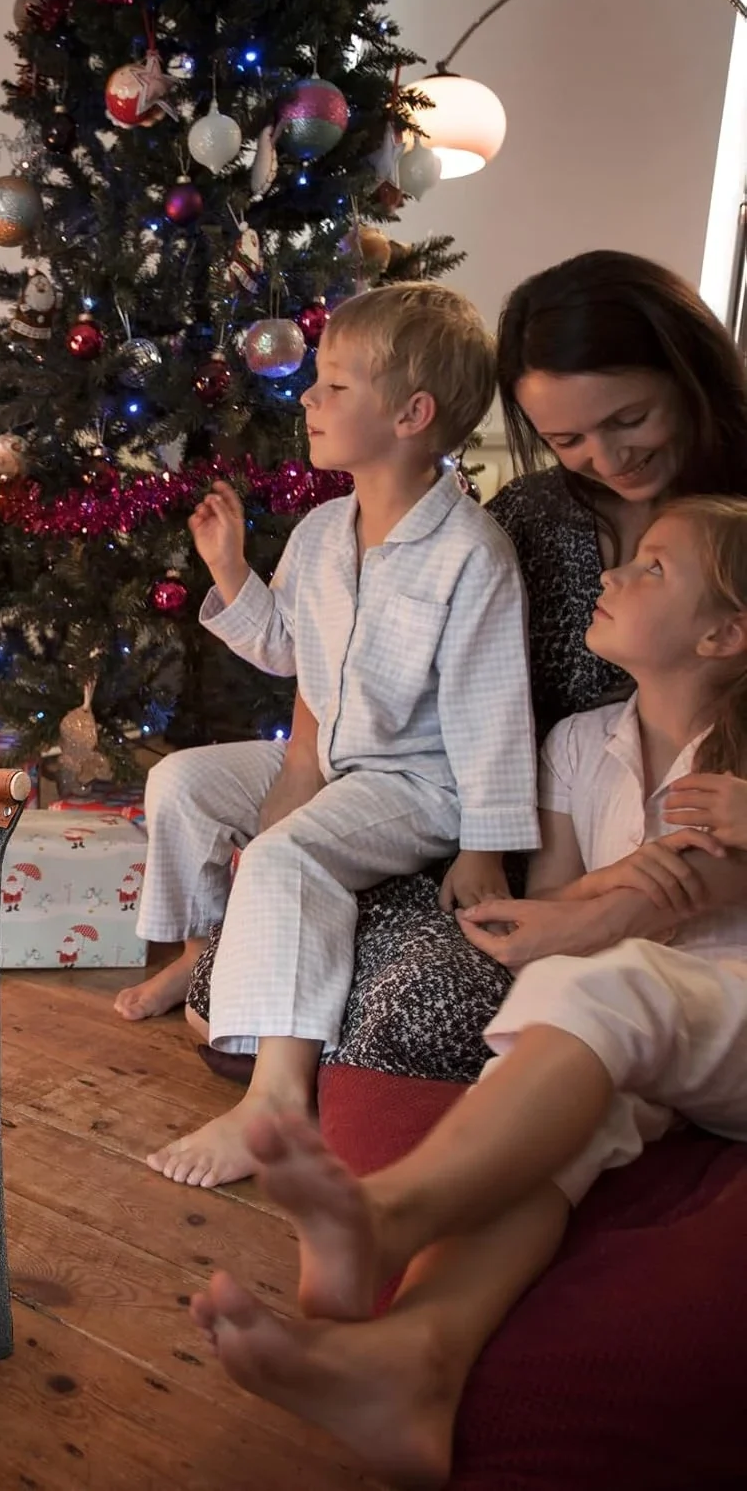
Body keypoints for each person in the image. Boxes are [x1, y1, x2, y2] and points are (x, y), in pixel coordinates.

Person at [190, 494, 747, 1490]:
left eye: (654, 568)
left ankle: (391, 1214)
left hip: (723, 1012)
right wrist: (616, 888)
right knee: (550, 1120)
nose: (614, 574)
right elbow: (544, 915)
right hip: (650, 1042)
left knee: (608, 979)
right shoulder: (579, 745)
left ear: (725, 633)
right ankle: (417, 1362)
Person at [174, 250, 747, 1088]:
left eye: (629, 419)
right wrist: (303, 767)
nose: (607, 457)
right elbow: (349, 651)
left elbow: (492, 710)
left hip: (662, 865)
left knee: (414, 1014)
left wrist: (605, 909)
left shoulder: (728, 534)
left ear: (688, 378)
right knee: (240, 980)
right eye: (566, 440)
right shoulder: (530, 515)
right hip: (505, 841)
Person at [121, 283, 539, 1188]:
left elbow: (494, 714)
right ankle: (197, 951)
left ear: (411, 414)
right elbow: (288, 649)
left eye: (336, 385)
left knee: (286, 855)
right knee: (180, 782)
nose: (308, 397)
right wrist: (230, 573)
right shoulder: (320, 532)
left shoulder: (471, 555)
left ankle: (274, 1101)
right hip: (333, 757)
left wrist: (486, 847)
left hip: (415, 785)